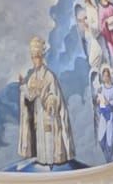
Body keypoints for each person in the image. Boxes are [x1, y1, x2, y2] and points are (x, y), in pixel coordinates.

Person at [17, 37, 76, 167]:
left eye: (37, 57)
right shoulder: (32, 77)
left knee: (49, 136)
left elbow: (55, 94)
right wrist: (23, 86)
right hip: (38, 111)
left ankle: (51, 161)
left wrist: (51, 101)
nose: (35, 60)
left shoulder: (49, 75)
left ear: (42, 57)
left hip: (49, 112)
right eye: (33, 57)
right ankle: (42, 160)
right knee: (40, 137)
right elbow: (30, 96)